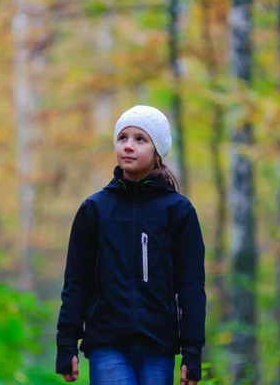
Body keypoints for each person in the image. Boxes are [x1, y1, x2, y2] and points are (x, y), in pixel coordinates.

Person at [55, 105, 206, 385]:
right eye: (122, 138)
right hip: (106, 343)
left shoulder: (179, 212)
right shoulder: (95, 210)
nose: (128, 146)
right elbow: (77, 281)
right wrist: (67, 344)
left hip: (158, 344)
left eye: (140, 139)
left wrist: (192, 351)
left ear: (157, 150)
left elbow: (192, 287)